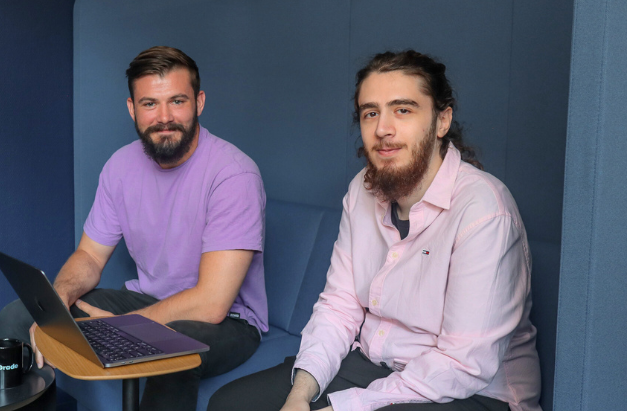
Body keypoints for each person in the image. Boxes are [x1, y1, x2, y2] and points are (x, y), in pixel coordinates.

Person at [208, 50, 541, 411]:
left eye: (403, 110)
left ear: (442, 120)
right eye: (371, 113)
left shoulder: (484, 210)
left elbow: (463, 364)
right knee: (230, 405)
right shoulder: (361, 191)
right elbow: (339, 306)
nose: (383, 129)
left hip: (470, 392)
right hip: (373, 367)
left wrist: (338, 408)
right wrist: (300, 395)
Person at [0, 46, 268, 411]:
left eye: (177, 101)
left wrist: (124, 326)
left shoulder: (234, 175)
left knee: (170, 349)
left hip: (227, 323)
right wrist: (58, 300)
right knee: (20, 315)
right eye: (150, 104)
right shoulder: (120, 166)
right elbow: (90, 255)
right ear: (132, 109)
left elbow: (212, 303)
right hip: (150, 300)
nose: (165, 117)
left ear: (199, 102)